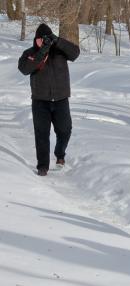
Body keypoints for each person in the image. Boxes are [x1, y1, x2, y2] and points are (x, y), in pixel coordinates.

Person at [18, 23, 80, 176]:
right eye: (40, 39)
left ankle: (60, 154)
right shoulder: (30, 53)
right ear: (36, 39)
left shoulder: (60, 51)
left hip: (61, 99)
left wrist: (57, 40)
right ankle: (42, 166)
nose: (43, 42)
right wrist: (42, 51)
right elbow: (25, 69)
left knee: (65, 130)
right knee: (42, 134)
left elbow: (75, 53)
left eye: (46, 39)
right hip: (40, 101)